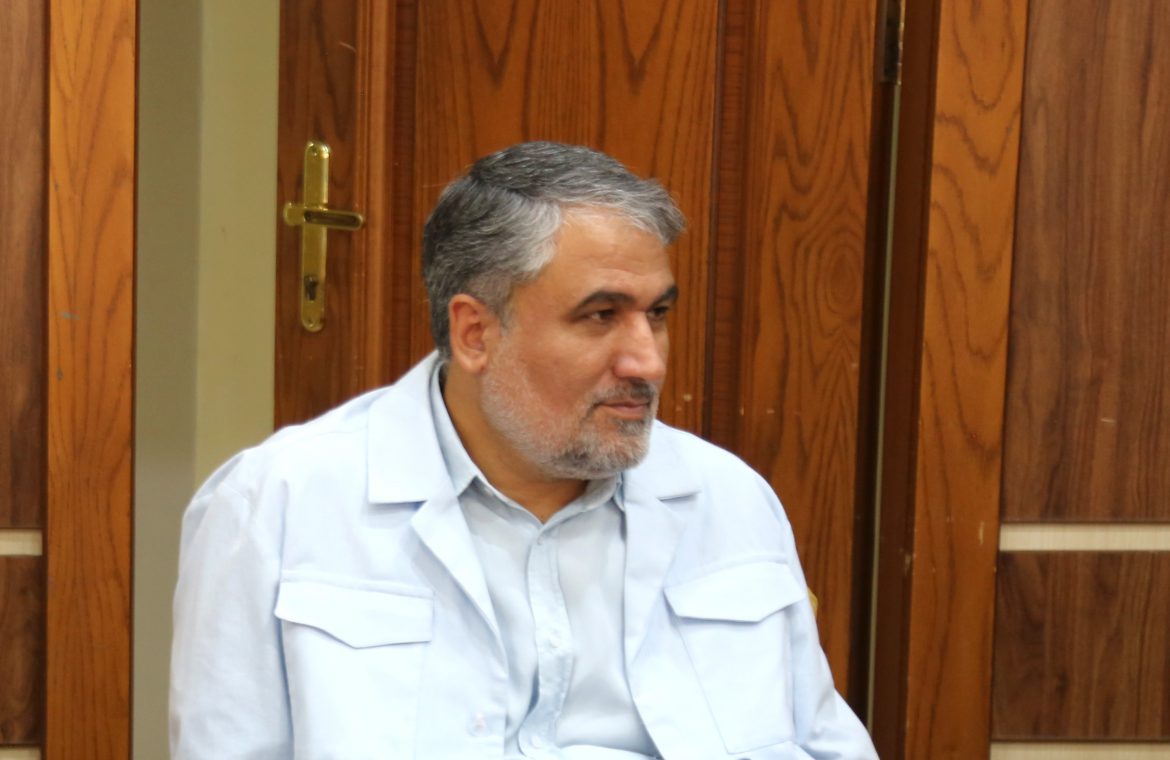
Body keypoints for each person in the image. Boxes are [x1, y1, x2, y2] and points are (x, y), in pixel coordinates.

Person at [170, 141, 878, 759]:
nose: (649, 362)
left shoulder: (728, 498)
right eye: (600, 315)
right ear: (475, 333)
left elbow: (827, 743)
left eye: (657, 314)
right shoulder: (280, 503)